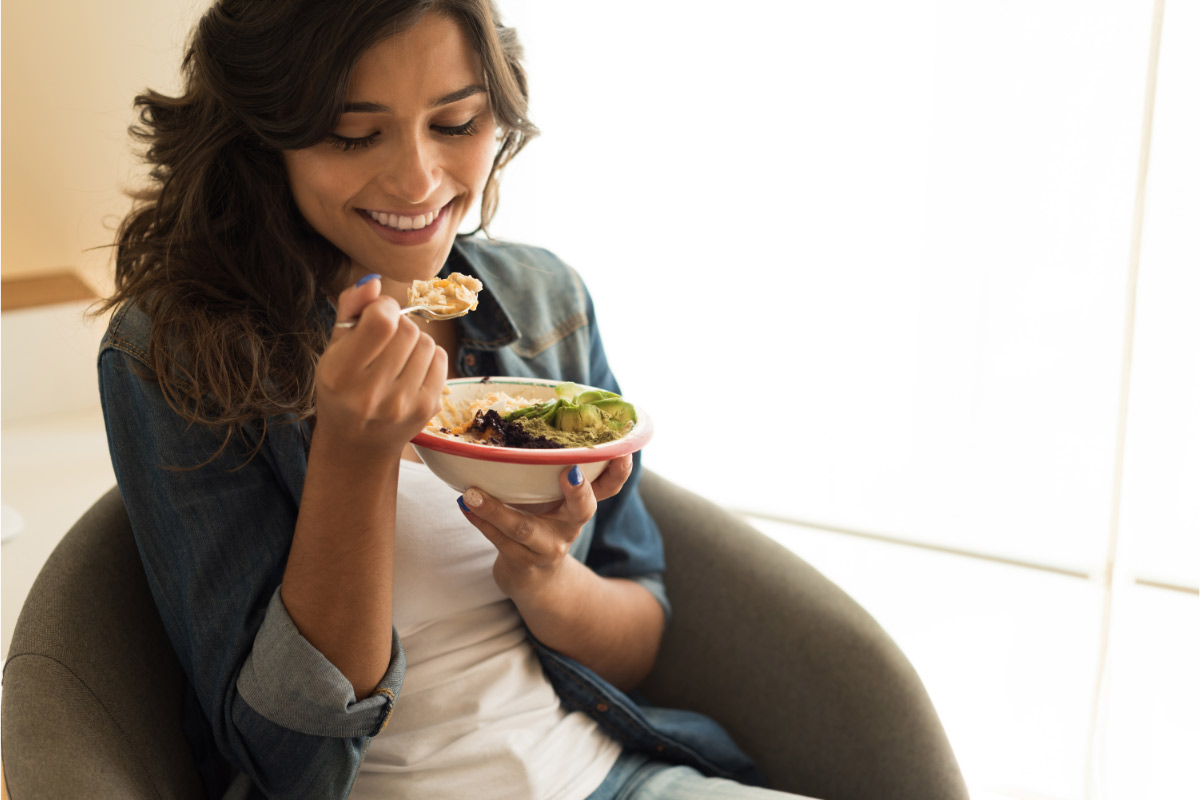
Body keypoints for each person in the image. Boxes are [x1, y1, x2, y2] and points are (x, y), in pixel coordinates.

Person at [96, 1, 815, 798]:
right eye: (351, 132)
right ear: (265, 134)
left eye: (458, 121)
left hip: (612, 775)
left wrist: (545, 575)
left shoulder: (544, 302)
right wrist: (354, 454)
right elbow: (287, 762)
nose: (417, 179)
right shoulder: (178, 355)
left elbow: (638, 634)